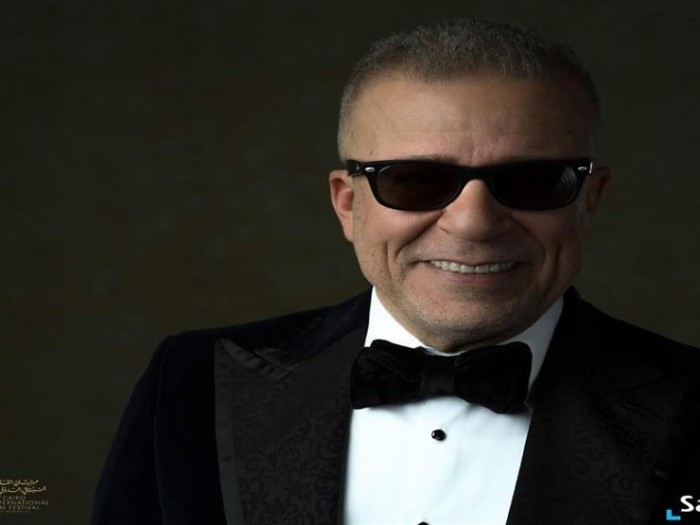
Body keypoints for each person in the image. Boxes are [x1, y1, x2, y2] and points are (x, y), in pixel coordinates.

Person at [92, 18, 700, 525]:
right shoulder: (191, 382)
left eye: (533, 181)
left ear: (589, 200)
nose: (473, 223)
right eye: (416, 181)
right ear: (347, 204)